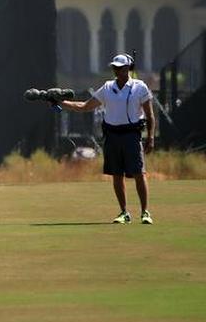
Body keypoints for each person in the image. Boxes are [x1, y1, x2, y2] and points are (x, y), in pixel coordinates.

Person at [59, 54, 156, 225]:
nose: (117, 70)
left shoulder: (140, 87)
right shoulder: (107, 87)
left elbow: (150, 115)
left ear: (129, 68)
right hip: (112, 136)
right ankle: (124, 213)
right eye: (115, 67)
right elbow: (84, 106)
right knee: (116, 175)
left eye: (120, 67)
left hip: (132, 136)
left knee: (139, 173)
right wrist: (60, 103)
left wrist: (151, 137)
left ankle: (145, 212)